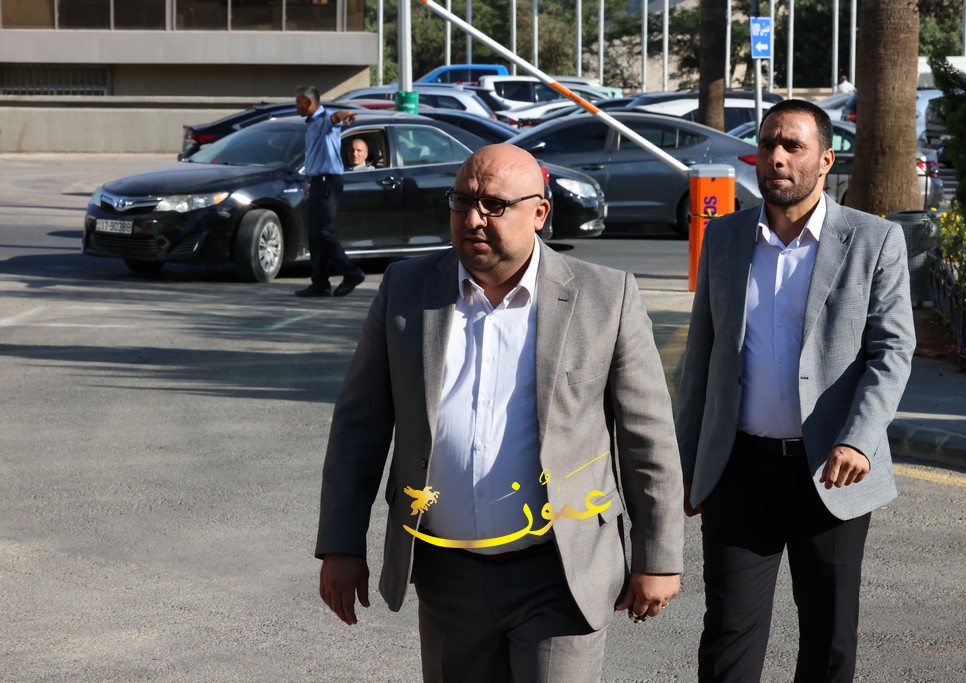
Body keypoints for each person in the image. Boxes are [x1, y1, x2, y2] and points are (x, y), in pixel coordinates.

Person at [316, 143, 685, 682]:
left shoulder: (606, 297)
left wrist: (659, 556)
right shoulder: (406, 290)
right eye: (462, 201)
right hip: (447, 576)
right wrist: (341, 544)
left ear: (539, 212)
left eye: (494, 205)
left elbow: (646, 437)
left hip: (560, 570)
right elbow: (359, 427)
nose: (473, 219)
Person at [675, 99, 915, 683]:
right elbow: (700, 360)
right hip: (739, 470)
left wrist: (858, 439)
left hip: (831, 471)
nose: (776, 158)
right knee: (728, 631)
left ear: (825, 160)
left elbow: (892, 353)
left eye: (793, 147)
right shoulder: (725, 237)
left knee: (829, 637)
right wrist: (685, 464)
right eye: (768, 145)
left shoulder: (873, 239)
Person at [294, 85, 366, 298]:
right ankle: (320, 283)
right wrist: (311, 182)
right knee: (314, 236)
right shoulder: (312, 123)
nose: (296, 106)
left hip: (329, 183)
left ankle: (352, 272)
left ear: (309, 102)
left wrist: (346, 115)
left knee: (323, 233)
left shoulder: (325, 119)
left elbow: (336, 117)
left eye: (298, 102)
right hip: (318, 182)